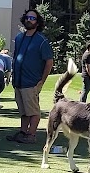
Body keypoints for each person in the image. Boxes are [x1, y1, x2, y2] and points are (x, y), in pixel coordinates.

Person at [6, 9, 54, 144]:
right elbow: (16, 57)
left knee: (33, 111)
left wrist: (42, 81)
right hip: (19, 81)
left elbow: (49, 62)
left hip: (32, 82)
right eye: (27, 17)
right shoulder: (19, 38)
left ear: (37, 22)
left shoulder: (41, 41)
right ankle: (23, 132)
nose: (29, 20)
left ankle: (31, 135)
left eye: (32, 18)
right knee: (23, 111)